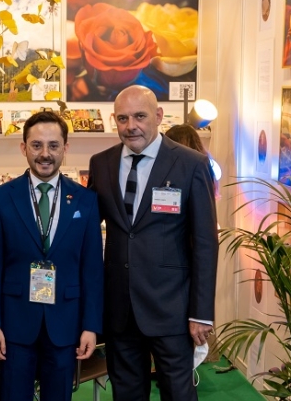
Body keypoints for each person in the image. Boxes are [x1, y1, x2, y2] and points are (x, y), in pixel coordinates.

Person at [87, 85, 218, 400]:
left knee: (178, 393)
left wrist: (201, 312)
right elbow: (88, 233)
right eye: (122, 118)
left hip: (172, 307)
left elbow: (205, 242)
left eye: (140, 116)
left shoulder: (191, 164)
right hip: (120, 310)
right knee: (127, 393)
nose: (131, 125)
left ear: (158, 116)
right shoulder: (101, 164)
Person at [0, 111, 103, 401]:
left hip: (66, 324)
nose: (45, 154)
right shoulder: (0, 199)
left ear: (65, 148)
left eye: (53, 145)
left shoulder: (85, 200)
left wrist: (90, 326)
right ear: (23, 148)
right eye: (36, 145)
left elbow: (92, 270)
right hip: (14, 325)